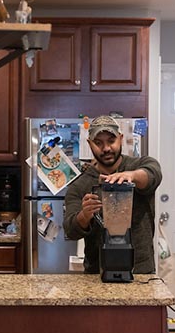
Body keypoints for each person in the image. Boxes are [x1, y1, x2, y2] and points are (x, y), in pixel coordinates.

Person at [63, 115, 162, 274]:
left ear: (121, 139)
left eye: (111, 140)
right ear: (89, 144)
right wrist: (84, 215)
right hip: (97, 273)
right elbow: (70, 230)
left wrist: (132, 176)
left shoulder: (139, 165)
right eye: (98, 143)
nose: (106, 148)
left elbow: (153, 174)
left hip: (139, 270)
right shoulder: (79, 185)